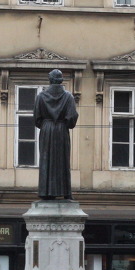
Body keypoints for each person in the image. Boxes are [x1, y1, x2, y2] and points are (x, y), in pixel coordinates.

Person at [33, 69, 79, 200]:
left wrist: (46, 124)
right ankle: (66, 192)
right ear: (60, 80)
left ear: (50, 79)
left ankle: (45, 192)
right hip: (61, 129)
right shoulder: (68, 96)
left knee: (45, 161)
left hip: (46, 129)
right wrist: (63, 123)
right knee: (63, 161)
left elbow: (37, 118)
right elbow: (71, 118)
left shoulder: (41, 96)